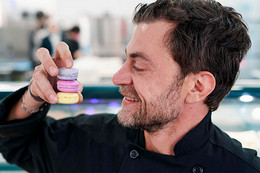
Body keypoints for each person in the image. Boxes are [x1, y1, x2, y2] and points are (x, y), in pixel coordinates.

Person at [0, 0, 259, 172]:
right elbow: (17, 144)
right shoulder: (90, 140)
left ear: (197, 87)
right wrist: (34, 95)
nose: (118, 78)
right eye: (127, 59)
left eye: (140, 66)